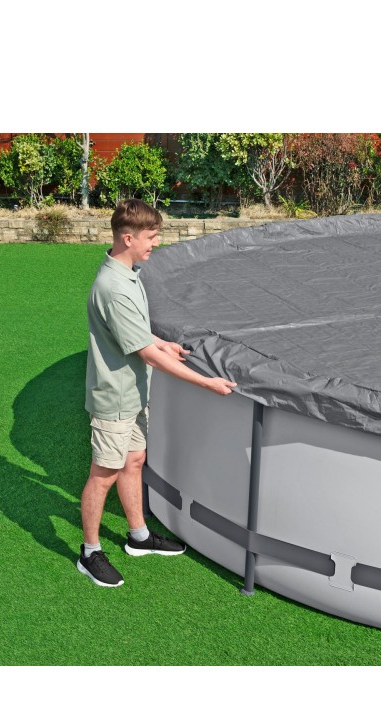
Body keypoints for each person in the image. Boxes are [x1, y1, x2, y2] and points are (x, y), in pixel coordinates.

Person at [78, 199, 237, 587]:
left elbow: (135, 332)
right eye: (151, 237)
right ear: (128, 238)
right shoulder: (113, 288)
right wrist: (206, 382)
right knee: (104, 474)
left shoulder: (128, 273)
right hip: (114, 398)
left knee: (134, 461)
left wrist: (162, 341)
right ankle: (89, 552)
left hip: (133, 392)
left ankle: (139, 537)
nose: (156, 244)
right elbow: (145, 354)